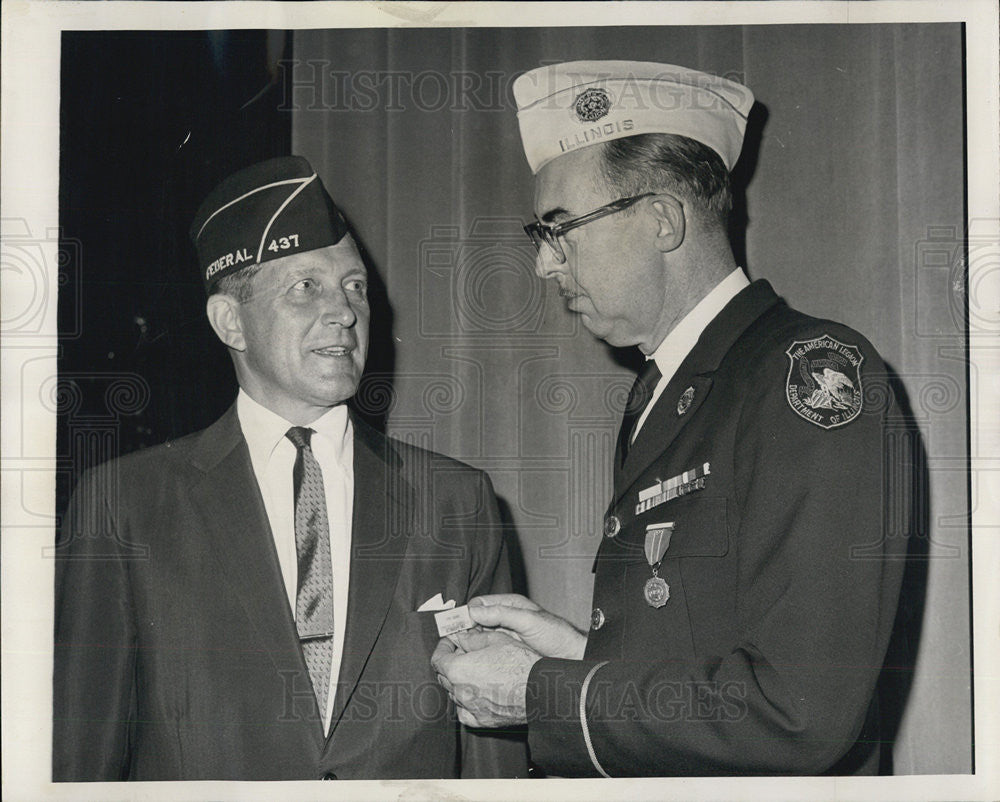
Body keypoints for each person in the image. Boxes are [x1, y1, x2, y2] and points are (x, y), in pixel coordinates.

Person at [432, 60, 909, 776]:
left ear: (661, 218)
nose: (543, 264)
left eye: (559, 229)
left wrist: (541, 692)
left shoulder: (805, 375)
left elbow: (799, 710)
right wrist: (569, 654)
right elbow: (695, 657)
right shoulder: (667, 393)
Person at [53, 156, 527, 781]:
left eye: (355, 286)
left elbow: (492, 753)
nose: (345, 312)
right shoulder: (125, 504)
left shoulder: (456, 501)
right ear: (231, 322)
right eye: (306, 287)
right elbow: (79, 757)